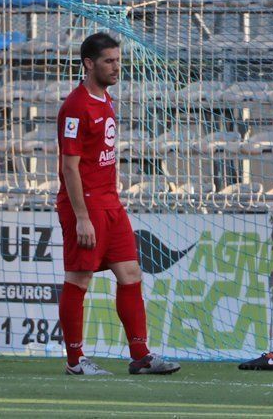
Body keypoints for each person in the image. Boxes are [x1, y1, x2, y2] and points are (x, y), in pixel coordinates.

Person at [56, 32, 179, 376]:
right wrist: (81, 217)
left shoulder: (105, 98)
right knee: (78, 279)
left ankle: (141, 356)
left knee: (130, 274)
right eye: (109, 61)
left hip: (111, 203)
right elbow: (69, 166)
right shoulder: (76, 106)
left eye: (118, 60)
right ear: (89, 63)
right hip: (87, 206)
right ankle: (75, 360)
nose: (115, 67)